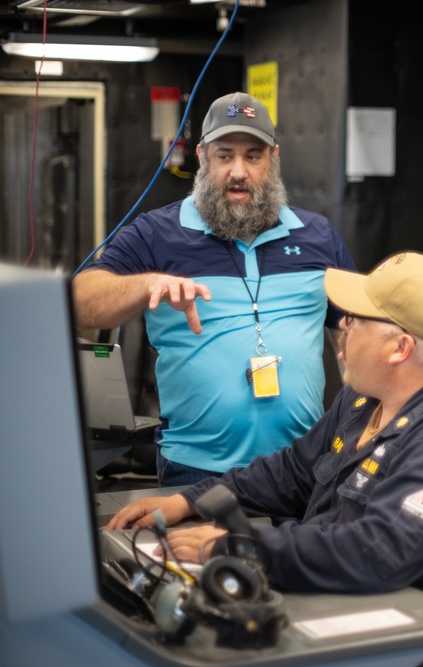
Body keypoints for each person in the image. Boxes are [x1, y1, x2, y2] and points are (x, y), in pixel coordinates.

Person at [105, 251, 423, 666]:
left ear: (399, 348)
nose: (343, 326)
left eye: (356, 319)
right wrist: (190, 501)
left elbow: (375, 553)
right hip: (341, 594)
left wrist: (238, 548)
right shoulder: (366, 397)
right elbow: (292, 470)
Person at [73, 91, 355, 486]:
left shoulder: (317, 236)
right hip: (196, 471)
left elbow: (355, 329)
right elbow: (79, 301)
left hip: (301, 468)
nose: (238, 171)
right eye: (225, 155)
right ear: (203, 156)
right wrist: (148, 284)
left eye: (253, 156)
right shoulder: (157, 234)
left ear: (274, 158)